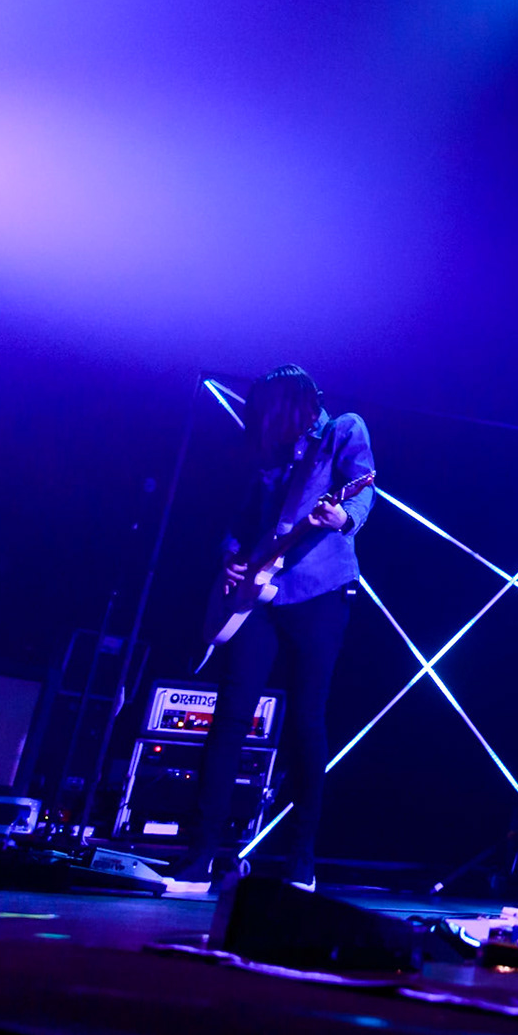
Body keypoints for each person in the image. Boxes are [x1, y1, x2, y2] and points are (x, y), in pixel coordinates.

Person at [161, 365, 375, 897]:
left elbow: (364, 487)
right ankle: (200, 857)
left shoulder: (342, 430)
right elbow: (241, 522)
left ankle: (300, 860)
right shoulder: (269, 454)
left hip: (320, 594)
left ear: (289, 406)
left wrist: (342, 517)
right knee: (230, 716)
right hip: (258, 596)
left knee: (306, 720)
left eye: (267, 414)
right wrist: (231, 559)